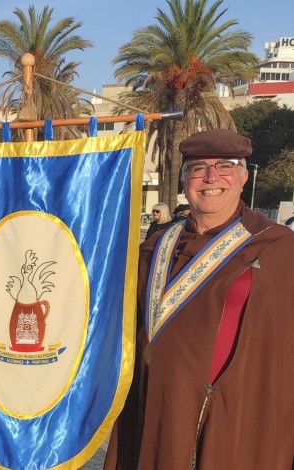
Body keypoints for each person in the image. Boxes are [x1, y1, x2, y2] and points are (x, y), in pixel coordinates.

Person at [104, 129, 294, 469]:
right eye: (197, 168)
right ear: (184, 180)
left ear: (243, 176)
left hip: (235, 414)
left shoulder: (278, 248)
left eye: (225, 165)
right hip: (155, 406)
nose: (211, 177)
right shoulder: (154, 246)